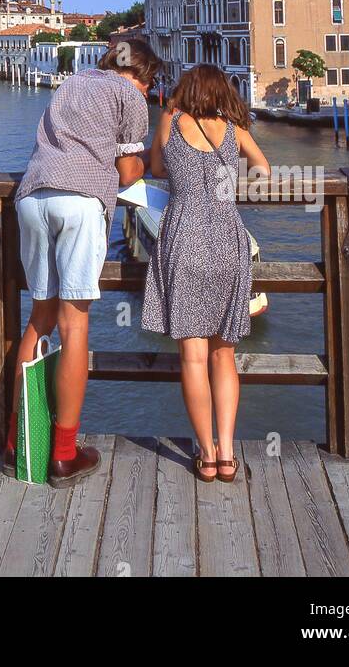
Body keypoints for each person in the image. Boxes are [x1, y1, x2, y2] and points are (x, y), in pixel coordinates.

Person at [4, 38, 160, 487]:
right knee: (74, 327)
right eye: (149, 84)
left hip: (33, 197)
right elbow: (128, 172)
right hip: (80, 201)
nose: (148, 94)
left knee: (39, 321)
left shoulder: (72, 83)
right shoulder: (128, 95)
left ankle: (20, 440)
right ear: (141, 74)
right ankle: (63, 455)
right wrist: (150, 160)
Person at [141, 64, 270, 483]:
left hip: (184, 235)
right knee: (224, 354)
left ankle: (207, 453)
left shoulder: (171, 120)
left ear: (186, 89)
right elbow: (264, 170)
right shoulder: (233, 128)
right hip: (227, 237)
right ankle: (229, 454)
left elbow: (157, 169)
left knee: (192, 356)